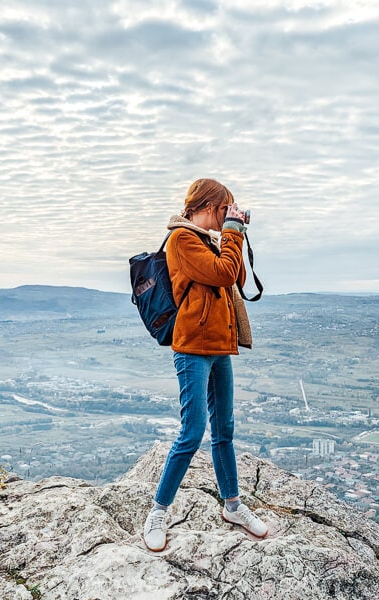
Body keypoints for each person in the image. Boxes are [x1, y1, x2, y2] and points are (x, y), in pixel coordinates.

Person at [142, 178, 269, 552]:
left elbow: (237, 276)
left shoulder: (211, 241)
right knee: (193, 430)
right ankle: (158, 511)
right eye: (225, 208)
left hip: (219, 345)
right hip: (192, 348)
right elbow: (223, 274)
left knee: (224, 429)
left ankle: (233, 504)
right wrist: (232, 233)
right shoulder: (182, 239)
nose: (229, 215)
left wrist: (232, 236)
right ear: (210, 205)